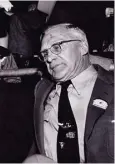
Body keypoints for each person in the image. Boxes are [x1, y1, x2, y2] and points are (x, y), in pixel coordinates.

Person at [25, 23, 114, 163]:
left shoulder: (111, 87)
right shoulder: (41, 91)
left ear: (83, 46)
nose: (49, 58)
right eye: (45, 53)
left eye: (56, 47)